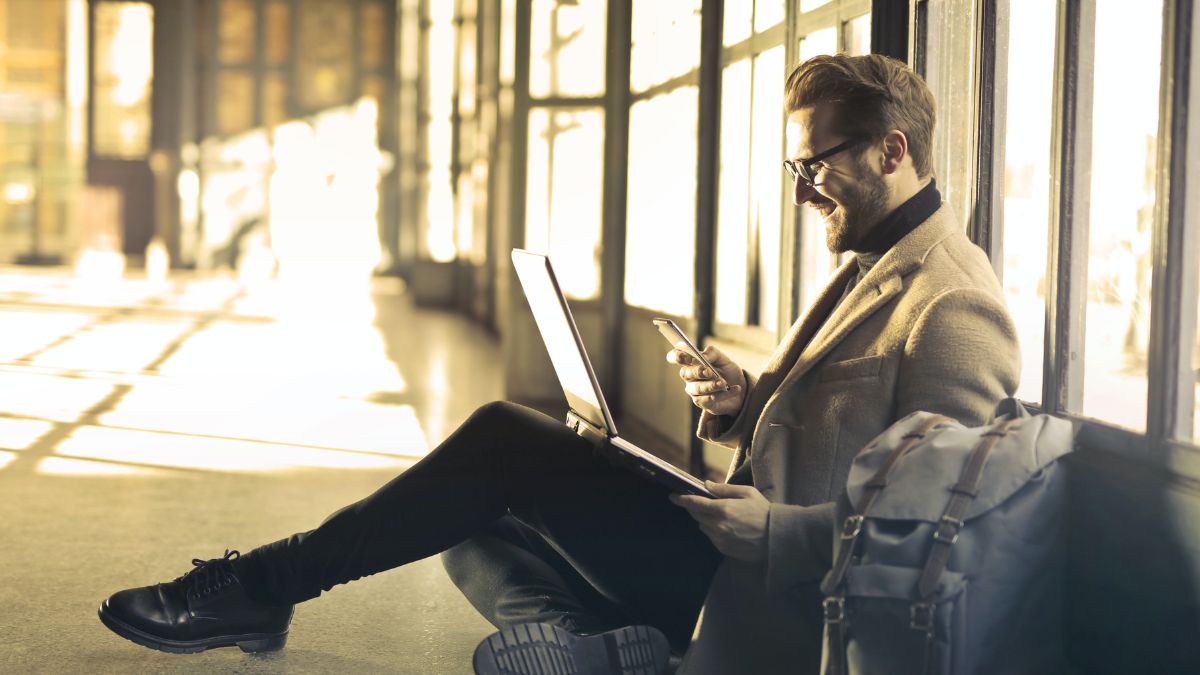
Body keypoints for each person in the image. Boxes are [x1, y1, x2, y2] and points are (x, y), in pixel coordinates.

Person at [97, 54, 1019, 675]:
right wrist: (739, 402)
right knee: (459, 514)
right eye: (792, 170)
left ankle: (258, 587)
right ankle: (612, 647)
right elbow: (820, 425)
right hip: (727, 552)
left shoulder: (952, 302)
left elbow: (943, 529)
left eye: (815, 165)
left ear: (892, 150)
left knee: (498, 443)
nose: (803, 190)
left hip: (774, 585)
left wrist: (776, 531)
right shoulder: (872, 261)